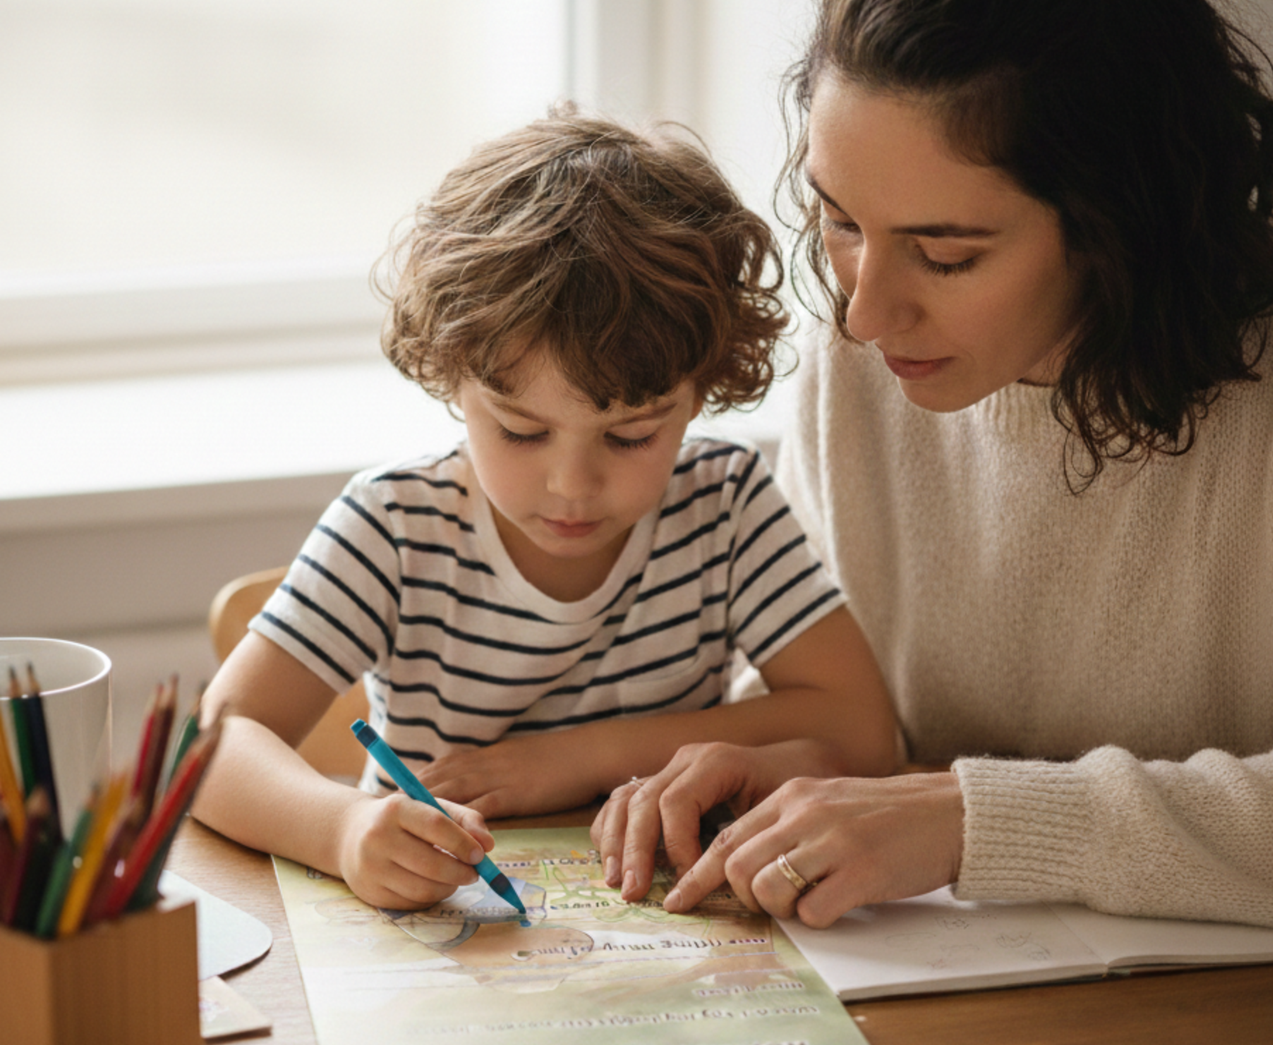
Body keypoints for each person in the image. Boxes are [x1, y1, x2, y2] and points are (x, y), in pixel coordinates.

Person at [593, 0, 1273, 932]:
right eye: (839, 219)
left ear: (1114, 219)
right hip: (965, 1003)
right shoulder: (860, 355)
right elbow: (862, 729)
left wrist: (972, 819)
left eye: (946, 254)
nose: (863, 309)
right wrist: (767, 761)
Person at [193, 111, 897, 910]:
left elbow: (865, 733)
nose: (572, 484)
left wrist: (572, 758)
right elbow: (212, 746)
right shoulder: (393, 527)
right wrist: (345, 829)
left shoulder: (724, 505)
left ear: (702, 390)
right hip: (446, 935)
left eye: (631, 435)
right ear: (450, 378)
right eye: (521, 430)